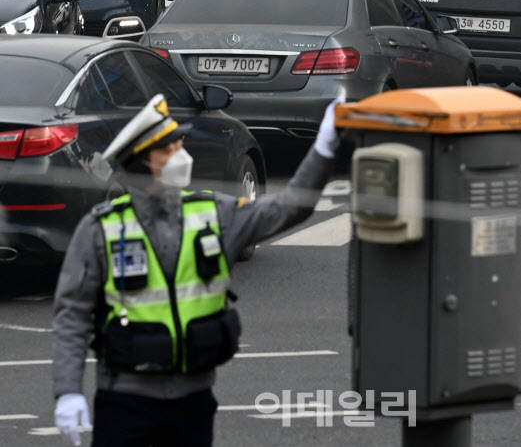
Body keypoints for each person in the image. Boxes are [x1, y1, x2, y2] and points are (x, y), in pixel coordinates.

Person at [52, 93, 340, 446]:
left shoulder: (213, 214)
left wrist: (324, 150)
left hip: (193, 403)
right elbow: (73, 315)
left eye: (180, 144)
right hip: (125, 403)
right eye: (171, 149)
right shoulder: (101, 229)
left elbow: (287, 210)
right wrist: (68, 391)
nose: (182, 155)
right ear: (145, 161)